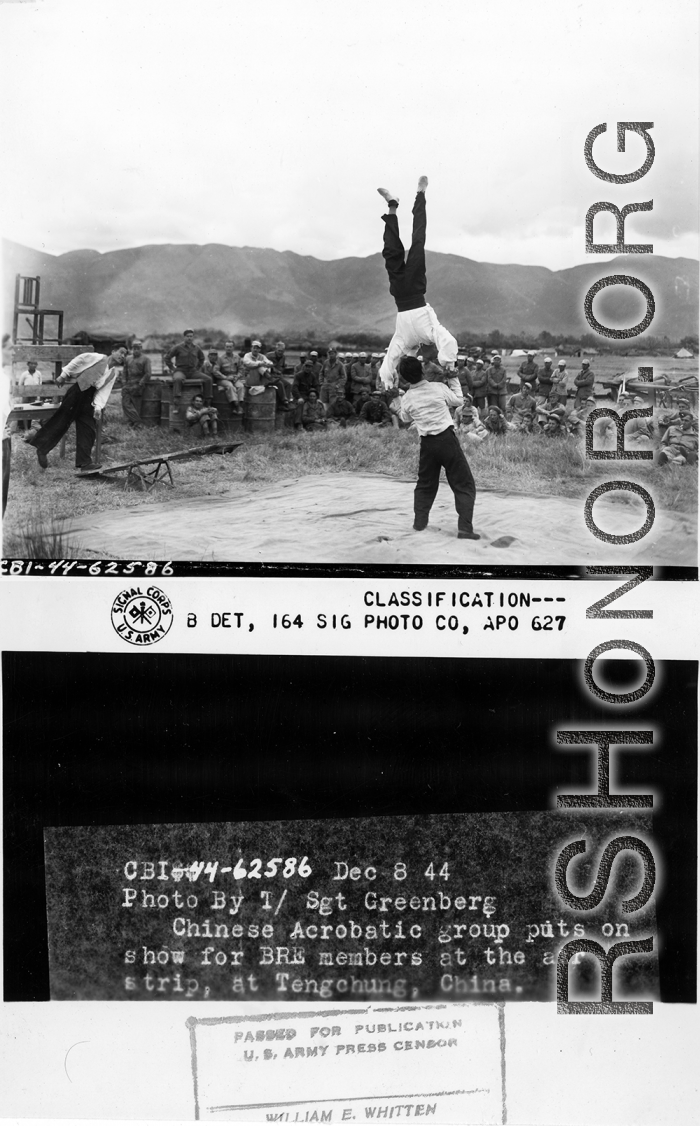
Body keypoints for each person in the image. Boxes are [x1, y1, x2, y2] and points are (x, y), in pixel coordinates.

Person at [377, 177, 458, 389]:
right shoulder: (429, 333)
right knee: (418, 241)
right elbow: (447, 341)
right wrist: (448, 364)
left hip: (399, 296)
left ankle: (392, 204)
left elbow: (389, 360)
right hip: (414, 291)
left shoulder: (402, 340)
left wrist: (388, 379)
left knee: (391, 250)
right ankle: (421, 194)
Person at [395, 355, 479, 540]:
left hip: (427, 445)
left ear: (404, 377)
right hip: (446, 440)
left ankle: (419, 522)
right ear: (423, 370)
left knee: (425, 484)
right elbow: (458, 400)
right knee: (464, 484)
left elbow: (405, 418)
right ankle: (465, 529)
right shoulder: (438, 388)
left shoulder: (407, 398)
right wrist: (453, 378)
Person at [25, 348, 126, 470]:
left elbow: (104, 391)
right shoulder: (98, 357)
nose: (122, 355)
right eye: (120, 352)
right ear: (113, 351)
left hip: (89, 399)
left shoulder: (113, 374)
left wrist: (98, 407)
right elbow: (79, 360)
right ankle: (41, 448)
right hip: (77, 392)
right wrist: (64, 374)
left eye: (125, 354)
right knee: (61, 422)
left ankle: (84, 463)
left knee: (88, 428)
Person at [165, 329, 211, 404]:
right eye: (187, 336)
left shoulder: (196, 348)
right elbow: (167, 358)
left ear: (193, 337)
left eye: (191, 336)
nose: (189, 338)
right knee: (178, 379)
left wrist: (197, 368)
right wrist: (173, 368)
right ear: (184, 337)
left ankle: (207, 400)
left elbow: (202, 358)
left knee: (208, 379)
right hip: (181, 370)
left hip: (193, 371)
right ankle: (177, 399)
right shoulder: (178, 347)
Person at [121, 340, 152, 426]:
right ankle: (137, 422)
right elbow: (124, 372)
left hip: (138, 385)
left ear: (141, 349)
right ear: (132, 349)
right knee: (125, 404)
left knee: (136, 405)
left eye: (138, 348)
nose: (136, 350)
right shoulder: (128, 359)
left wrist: (141, 383)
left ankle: (133, 423)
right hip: (128, 384)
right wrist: (124, 382)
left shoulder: (146, 359)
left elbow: (148, 373)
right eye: (134, 348)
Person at [218, 341, 245, 413]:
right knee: (230, 386)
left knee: (241, 386)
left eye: (230, 347)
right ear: (224, 347)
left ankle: (238, 405)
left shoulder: (237, 357)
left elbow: (241, 369)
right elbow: (216, 371)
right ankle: (236, 406)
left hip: (234, 377)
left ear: (233, 348)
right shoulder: (220, 358)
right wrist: (225, 377)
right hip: (223, 378)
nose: (228, 348)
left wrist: (237, 376)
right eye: (227, 347)